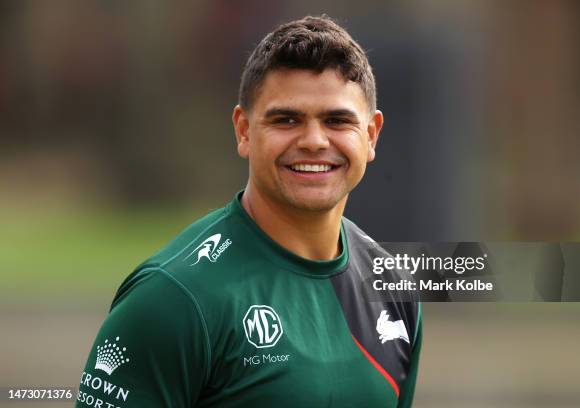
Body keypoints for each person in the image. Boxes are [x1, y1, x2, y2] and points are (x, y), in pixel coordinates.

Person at [75, 15, 422, 408]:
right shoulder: (174, 299)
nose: (313, 140)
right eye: (287, 119)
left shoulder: (394, 288)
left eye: (337, 120)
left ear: (371, 135)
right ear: (244, 131)